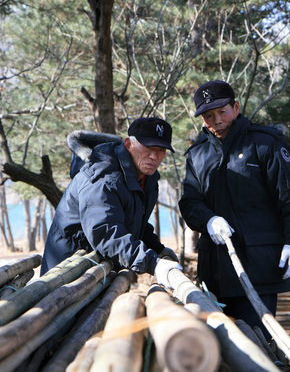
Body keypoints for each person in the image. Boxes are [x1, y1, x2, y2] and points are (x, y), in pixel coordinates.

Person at [179, 80, 290, 339]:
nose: (216, 120)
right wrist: (207, 220)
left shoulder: (266, 143)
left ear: (236, 107)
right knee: (222, 348)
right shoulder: (197, 154)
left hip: (259, 268)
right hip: (214, 271)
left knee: (258, 342)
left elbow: (287, 197)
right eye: (208, 115)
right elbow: (189, 202)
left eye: (222, 112)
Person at [40, 117, 181, 286]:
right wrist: (153, 263)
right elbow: (106, 233)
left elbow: (133, 220)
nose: (154, 156)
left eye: (161, 150)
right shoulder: (103, 178)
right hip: (68, 272)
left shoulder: (146, 177)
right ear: (129, 144)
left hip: (101, 270)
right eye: (149, 148)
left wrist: (158, 249)